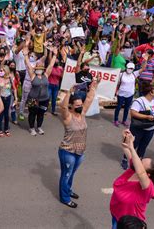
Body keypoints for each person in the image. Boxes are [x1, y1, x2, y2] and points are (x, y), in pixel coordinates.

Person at [58, 77, 99, 208]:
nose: (80, 106)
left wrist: (94, 85)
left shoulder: (82, 114)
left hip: (80, 151)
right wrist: (68, 92)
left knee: (71, 174)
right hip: (67, 151)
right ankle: (65, 198)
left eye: (80, 105)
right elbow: (63, 106)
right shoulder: (67, 116)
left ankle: (68, 190)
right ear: (71, 106)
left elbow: (89, 99)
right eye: (77, 105)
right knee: (66, 174)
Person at [110, 130, 154, 228]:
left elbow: (141, 173)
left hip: (129, 224)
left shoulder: (147, 186)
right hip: (116, 214)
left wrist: (132, 147)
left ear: (148, 175)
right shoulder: (134, 170)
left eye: (141, 164)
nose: (138, 164)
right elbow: (125, 147)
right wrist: (126, 138)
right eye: (140, 161)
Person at [120, 83, 154, 170]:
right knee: (133, 144)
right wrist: (146, 117)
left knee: (143, 146)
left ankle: (138, 161)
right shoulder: (139, 101)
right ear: (150, 92)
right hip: (138, 128)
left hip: (150, 129)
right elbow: (133, 113)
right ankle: (125, 159)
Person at [23, 46, 57, 136]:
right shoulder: (33, 75)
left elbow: (51, 65)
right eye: (38, 66)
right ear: (36, 67)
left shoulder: (46, 75)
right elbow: (28, 65)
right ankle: (31, 128)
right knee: (32, 114)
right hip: (33, 99)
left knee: (41, 114)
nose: (40, 67)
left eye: (41, 66)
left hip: (44, 99)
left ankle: (39, 127)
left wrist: (55, 55)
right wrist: (26, 55)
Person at [114, 58, 147, 127]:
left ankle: (124, 120)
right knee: (118, 107)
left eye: (132, 68)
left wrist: (145, 60)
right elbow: (117, 83)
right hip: (121, 94)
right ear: (126, 67)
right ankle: (116, 120)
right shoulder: (121, 74)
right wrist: (115, 91)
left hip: (130, 94)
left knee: (127, 108)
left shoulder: (134, 74)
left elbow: (143, 68)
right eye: (129, 68)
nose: (130, 69)